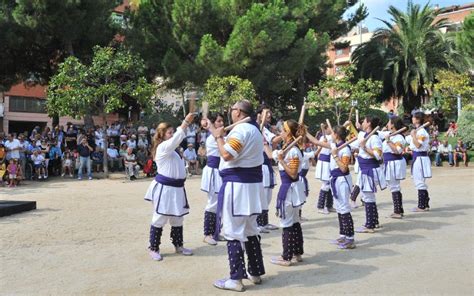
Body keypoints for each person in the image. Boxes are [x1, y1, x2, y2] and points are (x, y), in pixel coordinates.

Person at [208, 100, 265, 292]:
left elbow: (226, 155)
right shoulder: (255, 130)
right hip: (251, 186)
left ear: (238, 112)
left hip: (238, 186)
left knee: (233, 231)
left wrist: (218, 138)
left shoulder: (241, 131)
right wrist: (216, 132)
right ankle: (255, 273)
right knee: (250, 230)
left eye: (232, 109)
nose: (230, 112)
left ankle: (236, 279)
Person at [144, 112, 196, 262]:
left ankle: (178, 245)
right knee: (160, 218)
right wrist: (186, 121)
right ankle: (153, 248)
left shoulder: (173, 150)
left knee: (178, 218)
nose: (172, 135)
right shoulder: (162, 148)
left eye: (173, 132)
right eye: (169, 132)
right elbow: (178, 138)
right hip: (165, 189)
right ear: (162, 135)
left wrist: (184, 125)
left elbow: (178, 139)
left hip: (177, 189)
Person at [270, 119, 306, 266]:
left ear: (288, 133)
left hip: (290, 190)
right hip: (291, 189)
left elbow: (292, 174)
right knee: (294, 221)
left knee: (288, 223)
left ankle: (287, 256)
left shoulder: (293, 151)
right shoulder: (288, 148)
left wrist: (281, 160)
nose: (281, 133)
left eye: (283, 130)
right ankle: (297, 252)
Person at [353, 115, 386, 233]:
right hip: (365, 170)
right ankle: (374, 222)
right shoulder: (364, 135)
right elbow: (355, 145)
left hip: (370, 170)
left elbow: (378, 155)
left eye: (364, 121)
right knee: (368, 196)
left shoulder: (375, 138)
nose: (362, 122)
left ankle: (370, 225)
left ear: (369, 123)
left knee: (368, 197)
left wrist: (365, 148)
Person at [200, 113, 224, 245]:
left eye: (222, 121)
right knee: (213, 203)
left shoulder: (220, 137)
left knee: (220, 204)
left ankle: (216, 232)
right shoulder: (212, 139)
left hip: (220, 172)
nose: (222, 123)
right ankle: (207, 234)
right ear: (213, 123)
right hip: (213, 173)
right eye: (219, 121)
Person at [256, 104, 280, 233]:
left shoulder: (265, 129)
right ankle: (258, 223)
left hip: (267, 165)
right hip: (260, 165)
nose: (269, 116)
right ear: (259, 114)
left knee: (268, 195)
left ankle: (264, 222)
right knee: (262, 195)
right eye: (267, 113)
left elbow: (274, 140)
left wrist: (287, 134)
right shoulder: (255, 127)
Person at [379, 116, 407, 219]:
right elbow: (377, 133)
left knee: (394, 186)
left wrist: (388, 141)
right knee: (393, 186)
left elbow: (398, 150)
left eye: (389, 122)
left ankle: (398, 211)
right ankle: (399, 210)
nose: (388, 124)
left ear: (393, 125)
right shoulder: (389, 134)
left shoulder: (399, 137)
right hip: (388, 162)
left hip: (394, 163)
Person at [407, 112, 432, 212]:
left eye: (413, 117)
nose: (412, 119)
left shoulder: (421, 132)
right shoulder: (418, 131)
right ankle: (425, 204)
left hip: (420, 158)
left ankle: (421, 205)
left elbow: (418, 145)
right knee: (420, 181)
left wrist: (413, 135)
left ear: (418, 119)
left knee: (419, 181)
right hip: (418, 158)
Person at [315, 124, 335, 214]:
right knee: (325, 184)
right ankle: (320, 206)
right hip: (324, 162)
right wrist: (324, 142)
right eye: (329, 128)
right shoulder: (323, 137)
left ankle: (329, 205)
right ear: (326, 129)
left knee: (330, 184)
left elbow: (335, 136)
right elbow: (319, 146)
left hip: (329, 162)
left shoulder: (332, 137)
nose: (331, 130)